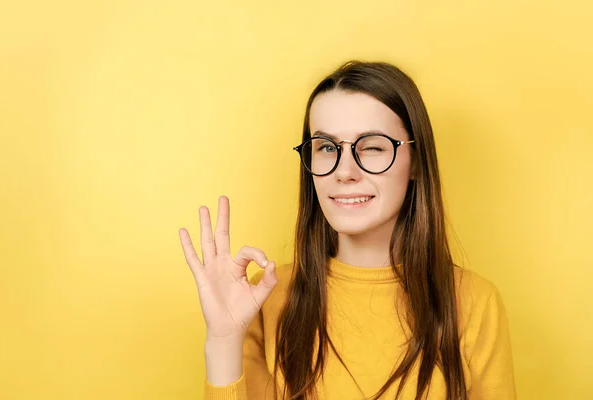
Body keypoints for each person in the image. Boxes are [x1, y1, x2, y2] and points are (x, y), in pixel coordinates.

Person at [178, 60, 516, 400]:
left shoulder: (474, 303)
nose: (344, 171)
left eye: (371, 146)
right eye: (327, 147)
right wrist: (222, 340)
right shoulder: (264, 300)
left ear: (415, 160)